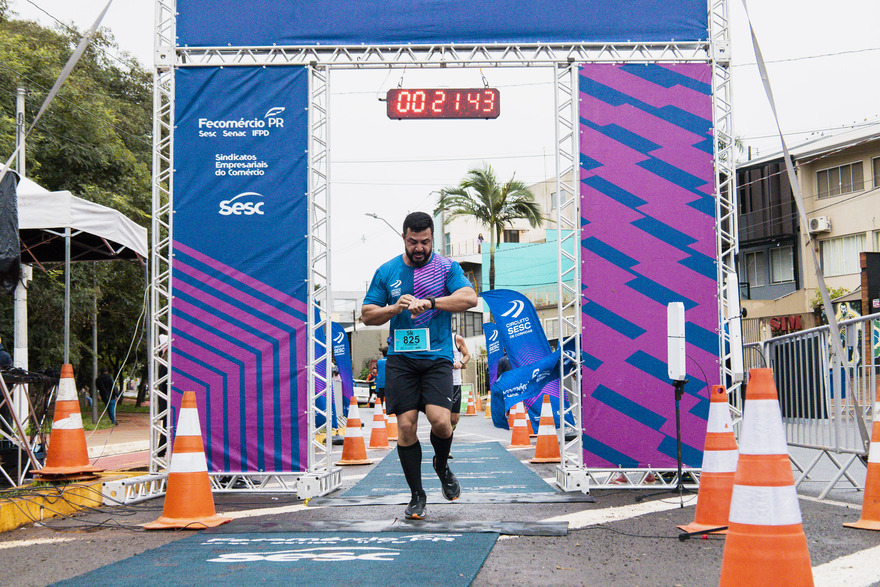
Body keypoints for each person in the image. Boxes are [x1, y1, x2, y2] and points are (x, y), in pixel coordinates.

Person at [361, 211, 478, 520]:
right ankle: (417, 495)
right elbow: (367, 314)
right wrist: (392, 308)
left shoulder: (446, 268)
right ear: (404, 238)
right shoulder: (387, 271)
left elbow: (470, 298)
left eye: (425, 242)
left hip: (437, 357)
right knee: (405, 426)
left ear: (432, 240)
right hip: (401, 360)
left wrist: (432, 301)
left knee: (441, 421)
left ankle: (441, 465)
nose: (419, 248)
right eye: (413, 242)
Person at [450, 331, 470, 427]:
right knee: (440, 416)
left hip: (455, 382)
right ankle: (444, 433)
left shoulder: (457, 339)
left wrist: (461, 363)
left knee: (454, 419)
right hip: (439, 381)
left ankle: (450, 429)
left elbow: (467, 355)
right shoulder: (434, 337)